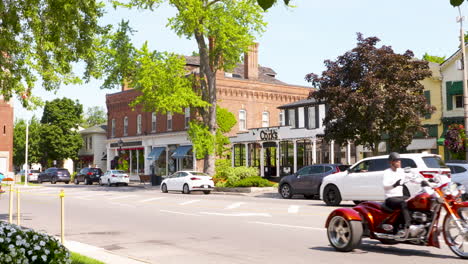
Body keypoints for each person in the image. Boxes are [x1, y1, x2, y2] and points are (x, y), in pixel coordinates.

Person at [382, 152, 411, 236]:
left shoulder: (401, 171)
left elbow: (410, 178)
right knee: (403, 203)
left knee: (413, 200)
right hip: (390, 198)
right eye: (396, 161)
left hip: (400, 196)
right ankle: (407, 226)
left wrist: (423, 181)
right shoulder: (387, 172)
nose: (399, 162)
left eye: (399, 160)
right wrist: (394, 185)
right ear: (391, 162)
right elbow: (385, 186)